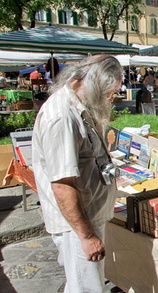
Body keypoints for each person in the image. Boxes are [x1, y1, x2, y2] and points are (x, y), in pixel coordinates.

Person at [32, 55, 122, 292]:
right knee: (87, 287)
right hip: (78, 225)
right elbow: (62, 184)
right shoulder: (61, 116)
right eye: (108, 92)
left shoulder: (77, 105)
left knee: (84, 285)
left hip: (87, 217)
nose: (110, 98)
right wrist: (87, 236)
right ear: (95, 84)